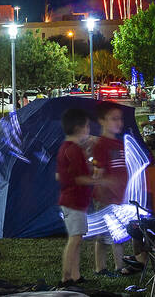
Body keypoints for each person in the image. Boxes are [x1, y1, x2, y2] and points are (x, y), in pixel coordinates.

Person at [56, 107, 96, 289]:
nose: (89, 130)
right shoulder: (73, 150)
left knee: (77, 238)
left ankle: (76, 275)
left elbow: (63, 174)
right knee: (75, 240)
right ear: (79, 128)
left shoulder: (69, 148)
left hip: (75, 201)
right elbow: (79, 177)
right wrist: (102, 181)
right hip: (74, 201)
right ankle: (65, 278)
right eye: (87, 127)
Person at [91, 102, 131, 277]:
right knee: (104, 235)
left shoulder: (119, 144)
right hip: (106, 197)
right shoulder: (101, 145)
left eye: (120, 119)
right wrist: (105, 190)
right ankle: (101, 268)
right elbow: (98, 174)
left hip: (120, 196)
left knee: (118, 233)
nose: (118, 122)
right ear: (102, 121)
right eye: (113, 119)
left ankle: (119, 266)